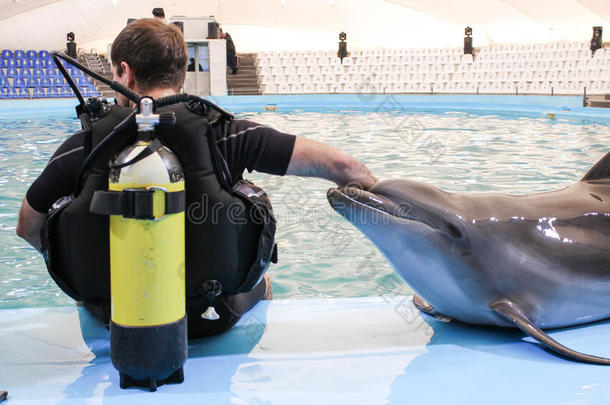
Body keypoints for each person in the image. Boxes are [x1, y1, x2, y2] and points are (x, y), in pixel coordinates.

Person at [16, 18, 377, 338]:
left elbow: (28, 226)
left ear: (124, 72)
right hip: (213, 317)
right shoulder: (228, 134)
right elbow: (346, 169)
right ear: (182, 74)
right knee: (263, 283)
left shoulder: (85, 146)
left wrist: (84, 267)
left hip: (115, 317)